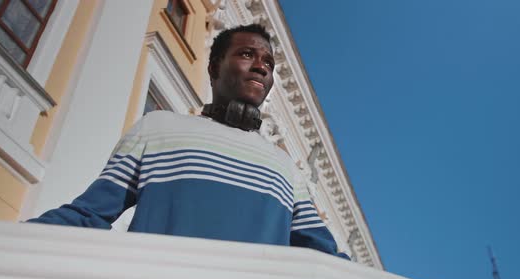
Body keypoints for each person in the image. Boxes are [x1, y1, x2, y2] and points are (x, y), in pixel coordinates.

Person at [28, 24, 349, 260]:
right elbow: (89, 215)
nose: (261, 66)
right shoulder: (157, 127)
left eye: (268, 62)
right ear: (214, 68)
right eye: (247, 54)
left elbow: (323, 256)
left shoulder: (286, 168)